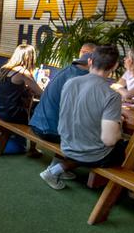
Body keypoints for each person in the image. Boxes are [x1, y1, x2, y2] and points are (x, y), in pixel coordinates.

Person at [40, 45, 124, 190]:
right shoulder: (112, 96)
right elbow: (109, 140)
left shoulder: (70, 82)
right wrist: (119, 126)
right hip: (91, 155)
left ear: (90, 61)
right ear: (115, 66)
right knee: (127, 148)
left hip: (66, 145)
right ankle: (127, 193)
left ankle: (59, 168)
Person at [30, 43, 97, 143]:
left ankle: (58, 159)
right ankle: (59, 159)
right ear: (91, 60)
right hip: (50, 131)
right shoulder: (80, 77)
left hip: (36, 123)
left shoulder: (68, 69)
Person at [0, 44, 42, 124]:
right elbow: (41, 93)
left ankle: (17, 136)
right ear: (30, 58)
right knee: (42, 115)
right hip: (13, 114)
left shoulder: (4, 69)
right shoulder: (22, 72)